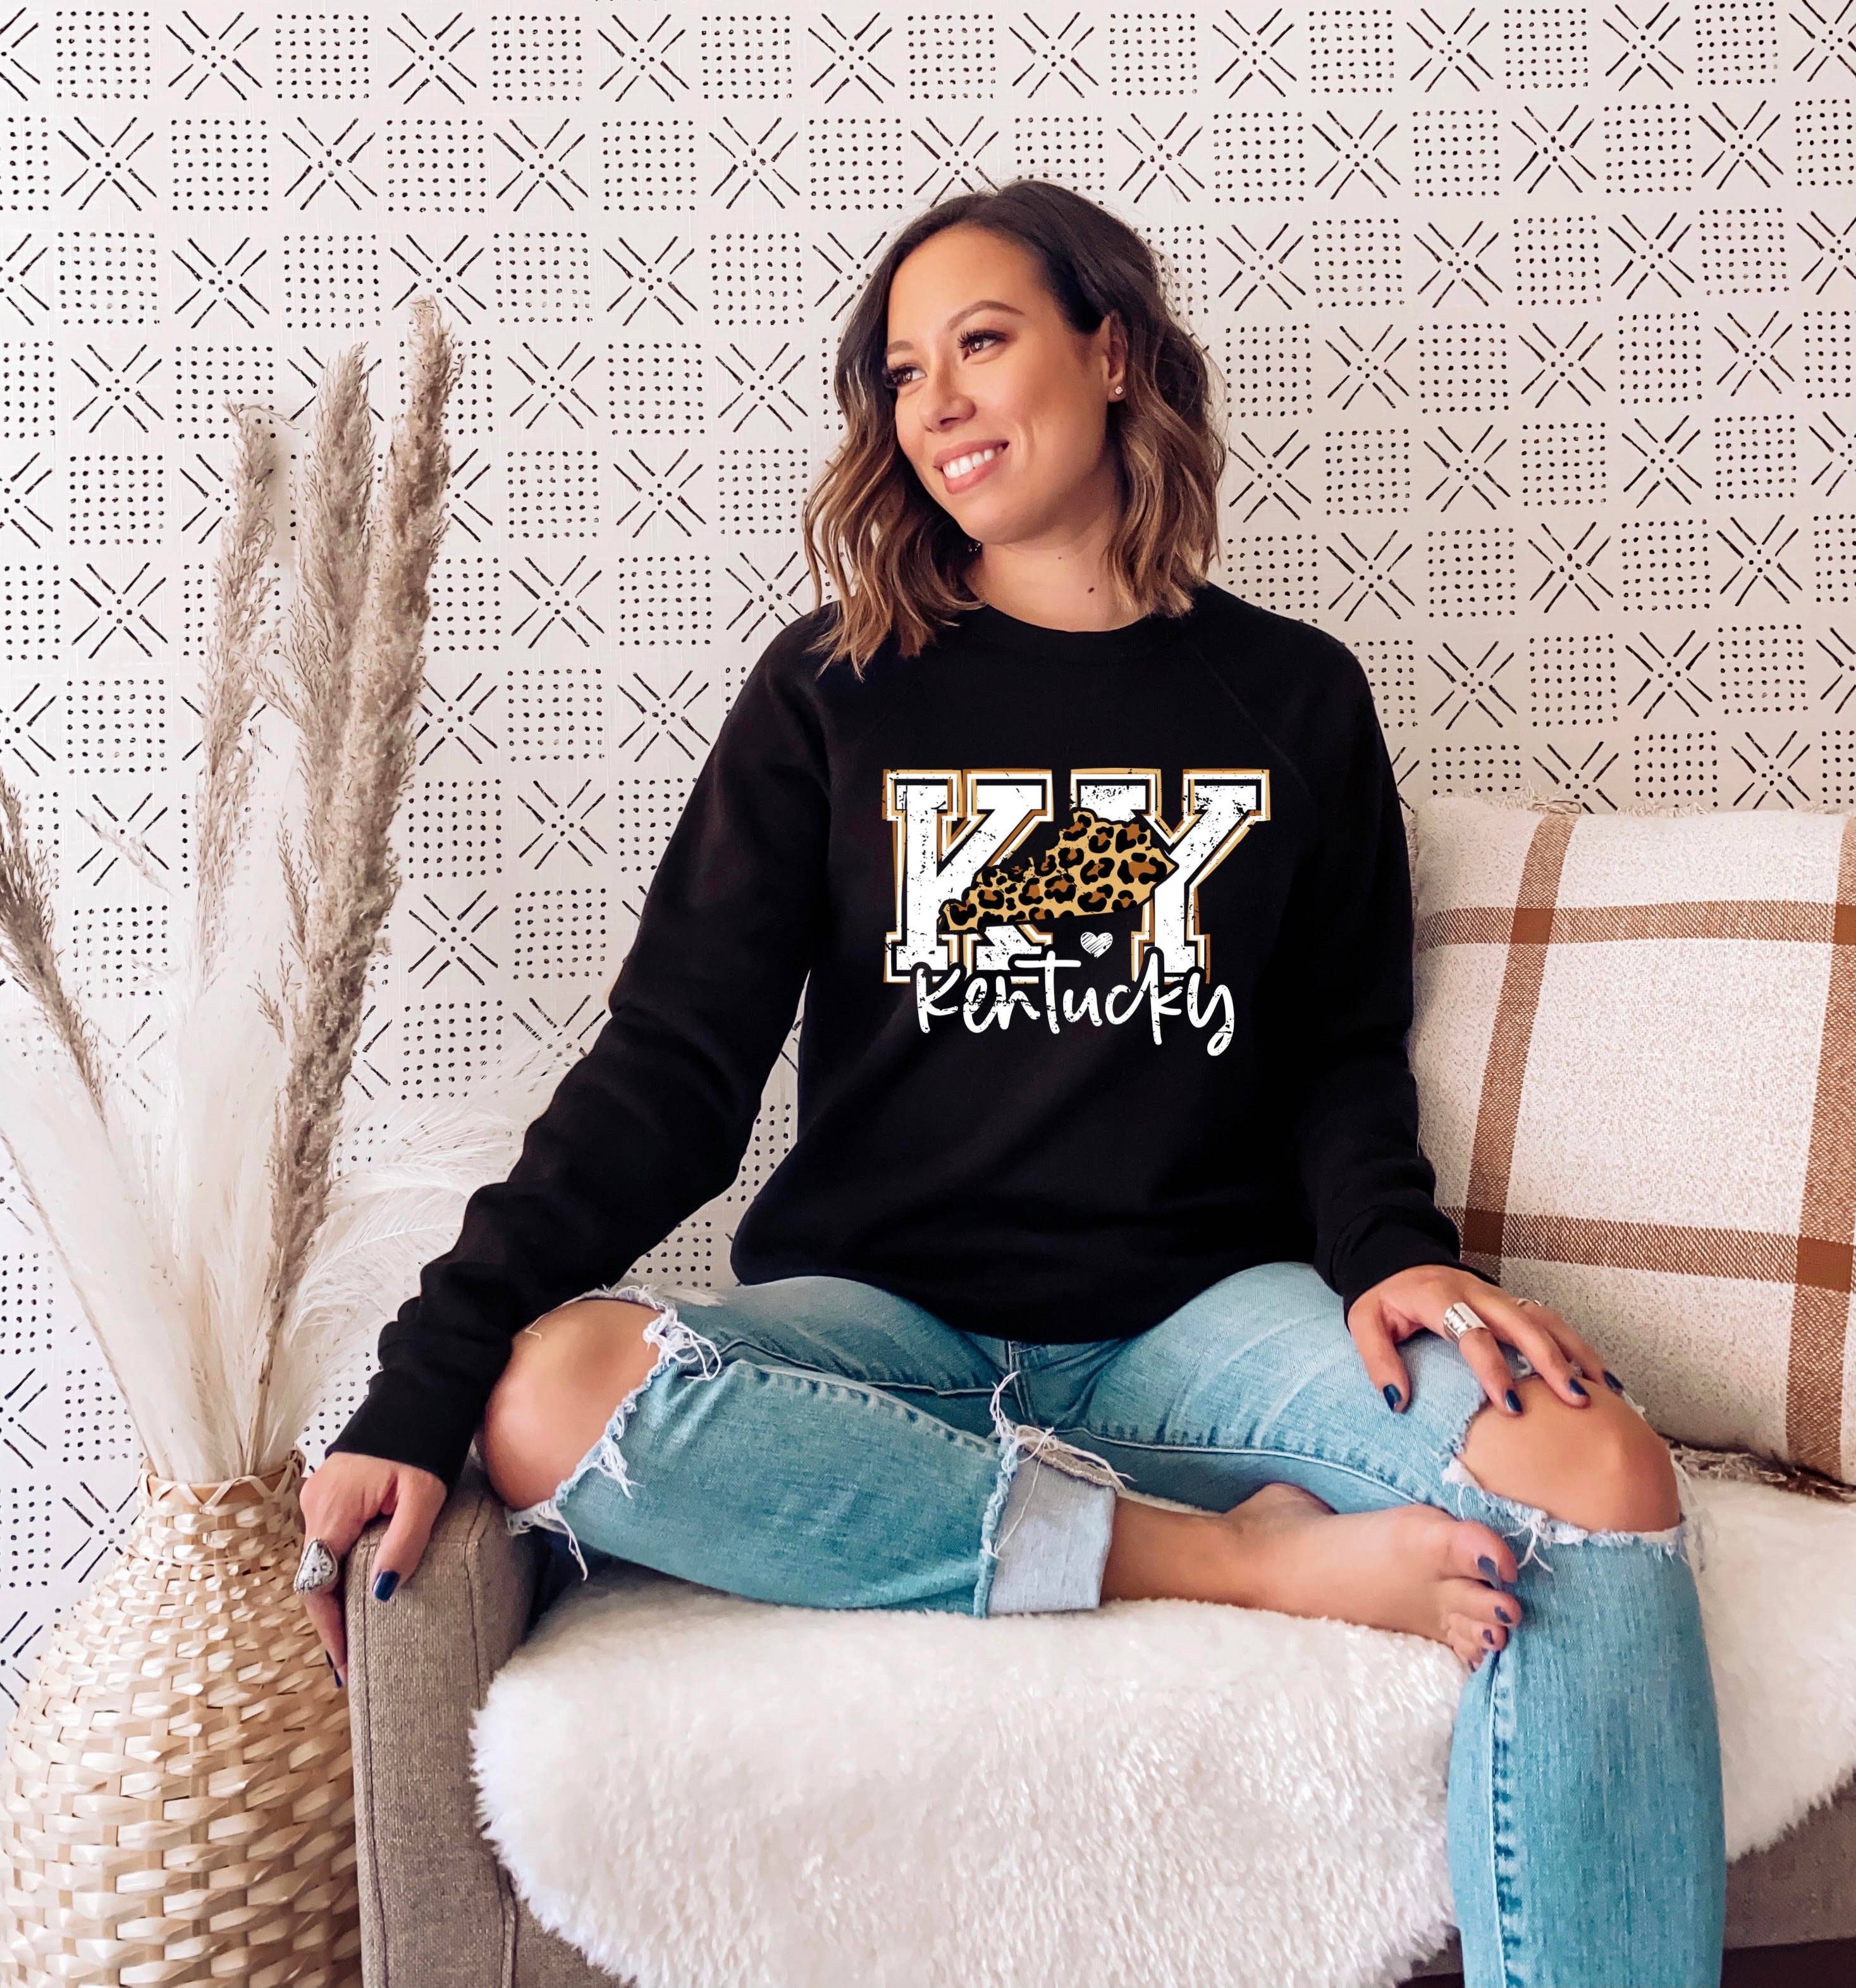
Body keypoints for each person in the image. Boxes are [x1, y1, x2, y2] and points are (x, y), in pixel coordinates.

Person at [298, 179, 1726, 1988]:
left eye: (983, 341)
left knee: (1594, 1464)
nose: (941, 403)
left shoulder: (1294, 695)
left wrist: (1391, 1255)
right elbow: (669, 1073)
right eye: (904, 372)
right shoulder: (833, 693)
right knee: (550, 1397)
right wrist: (423, 1373)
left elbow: (1340, 1052)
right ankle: (1230, 1560)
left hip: (1203, 1328)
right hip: (893, 1336)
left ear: (1109, 351)